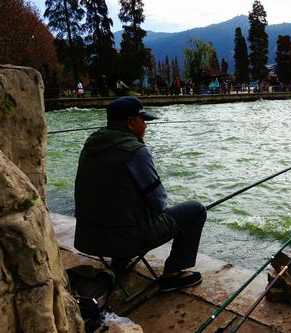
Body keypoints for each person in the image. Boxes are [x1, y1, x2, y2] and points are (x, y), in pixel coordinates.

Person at [74, 96, 206, 291]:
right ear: (131, 122)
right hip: (125, 240)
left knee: (119, 205)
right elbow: (159, 203)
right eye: (143, 120)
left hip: (87, 238)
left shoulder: (91, 144)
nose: (146, 125)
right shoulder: (136, 151)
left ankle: (120, 262)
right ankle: (173, 274)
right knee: (195, 210)